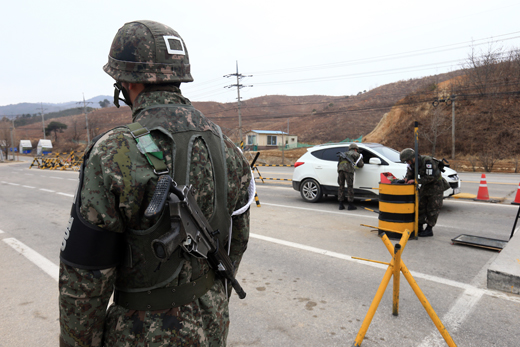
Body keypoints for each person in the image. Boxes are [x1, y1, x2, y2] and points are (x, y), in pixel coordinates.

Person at [59, 20, 253, 347]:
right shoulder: (228, 148)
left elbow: (85, 282)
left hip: (139, 335)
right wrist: (209, 306)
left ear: (125, 83)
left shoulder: (112, 152)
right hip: (212, 324)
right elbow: (237, 242)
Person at [400, 148, 444, 237]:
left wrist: (415, 181)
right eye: (406, 161)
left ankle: (429, 229)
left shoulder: (427, 161)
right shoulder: (412, 164)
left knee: (433, 208)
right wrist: (406, 179)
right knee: (421, 206)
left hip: (436, 186)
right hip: (425, 186)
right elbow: (410, 173)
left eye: (408, 160)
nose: (408, 163)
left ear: (413, 157)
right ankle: (419, 226)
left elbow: (430, 177)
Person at [337, 143, 363, 210]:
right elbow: (361, 165)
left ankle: (340, 204)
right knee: (350, 187)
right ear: (355, 149)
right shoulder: (355, 154)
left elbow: (338, 163)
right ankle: (350, 205)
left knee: (341, 186)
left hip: (340, 170)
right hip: (348, 170)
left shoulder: (344, 154)